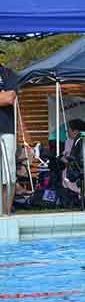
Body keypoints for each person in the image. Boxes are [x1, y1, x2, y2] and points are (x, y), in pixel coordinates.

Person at [0, 61, 18, 214]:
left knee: (9, 176)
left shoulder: (8, 73)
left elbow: (9, 98)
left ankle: (5, 214)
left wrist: (4, 96)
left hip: (6, 131)